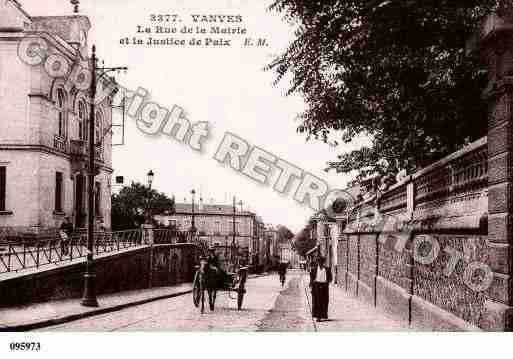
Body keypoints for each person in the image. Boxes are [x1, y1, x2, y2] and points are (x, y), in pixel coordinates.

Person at [309, 256, 332, 322]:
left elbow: (330, 278)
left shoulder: (327, 269)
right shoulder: (314, 269)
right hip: (316, 286)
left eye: (321, 262)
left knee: (324, 301)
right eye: (319, 262)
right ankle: (318, 317)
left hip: (324, 286)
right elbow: (311, 279)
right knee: (317, 302)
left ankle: (323, 315)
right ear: (317, 262)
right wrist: (311, 286)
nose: (320, 264)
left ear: (323, 262)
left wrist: (327, 281)